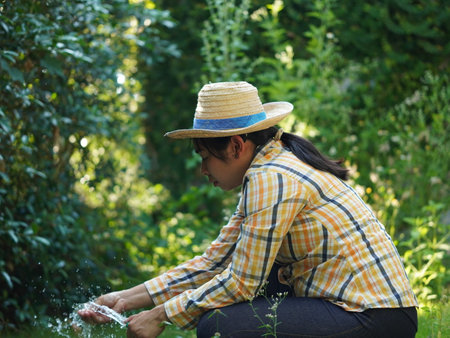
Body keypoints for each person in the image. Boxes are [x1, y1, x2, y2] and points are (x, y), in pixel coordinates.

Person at [78, 81, 418, 337]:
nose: (203, 169)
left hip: (374, 315)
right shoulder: (269, 166)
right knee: (245, 297)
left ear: (237, 145)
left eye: (204, 156)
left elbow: (241, 282)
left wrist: (161, 315)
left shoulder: (272, 178)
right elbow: (216, 262)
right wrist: (124, 299)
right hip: (367, 308)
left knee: (220, 326)